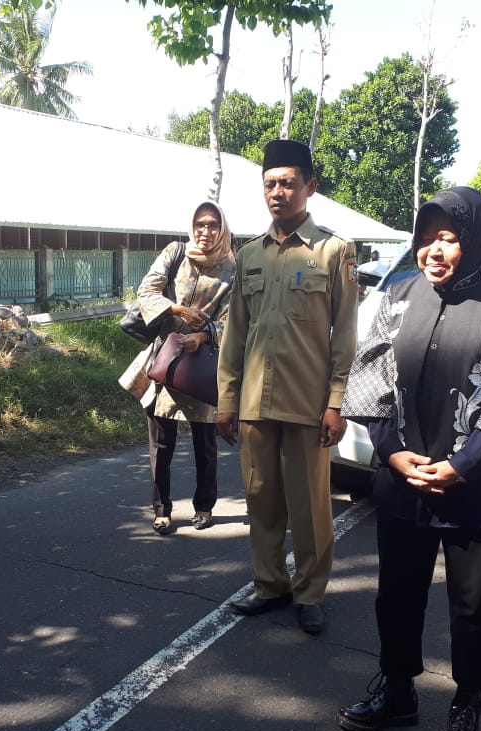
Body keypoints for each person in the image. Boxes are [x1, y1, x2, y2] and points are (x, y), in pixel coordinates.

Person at [335, 187, 481, 731]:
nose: (434, 249)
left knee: (473, 603)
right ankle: (397, 688)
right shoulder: (400, 293)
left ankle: (467, 703)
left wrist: (462, 465)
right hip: (403, 478)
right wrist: (393, 453)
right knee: (397, 591)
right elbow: (371, 376)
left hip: (478, 486)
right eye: (427, 236)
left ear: (476, 239)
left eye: (449, 238)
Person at [216, 139, 359, 636]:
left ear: (309, 188)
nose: (278, 192)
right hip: (255, 401)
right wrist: (226, 401)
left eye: (288, 183)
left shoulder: (333, 252)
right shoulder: (249, 256)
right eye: (270, 184)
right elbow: (236, 333)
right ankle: (269, 584)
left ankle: (310, 592)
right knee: (261, 499)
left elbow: (345, 334)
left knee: (311, 508)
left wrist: (336, 402)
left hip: (306, 401)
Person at [121, 201, 234, 535]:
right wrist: (179, 311)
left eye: (213, 224)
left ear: (222, 228)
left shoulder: (232, 267)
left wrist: (204, 334)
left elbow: (237, 320)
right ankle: (162, 509)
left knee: (205, 442)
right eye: (200, 224)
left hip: (204, 364)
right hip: (167, 360)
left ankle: (204, 507)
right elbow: (146, 291)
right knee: (161, 443)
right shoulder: (175, 252)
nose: (205, 231)